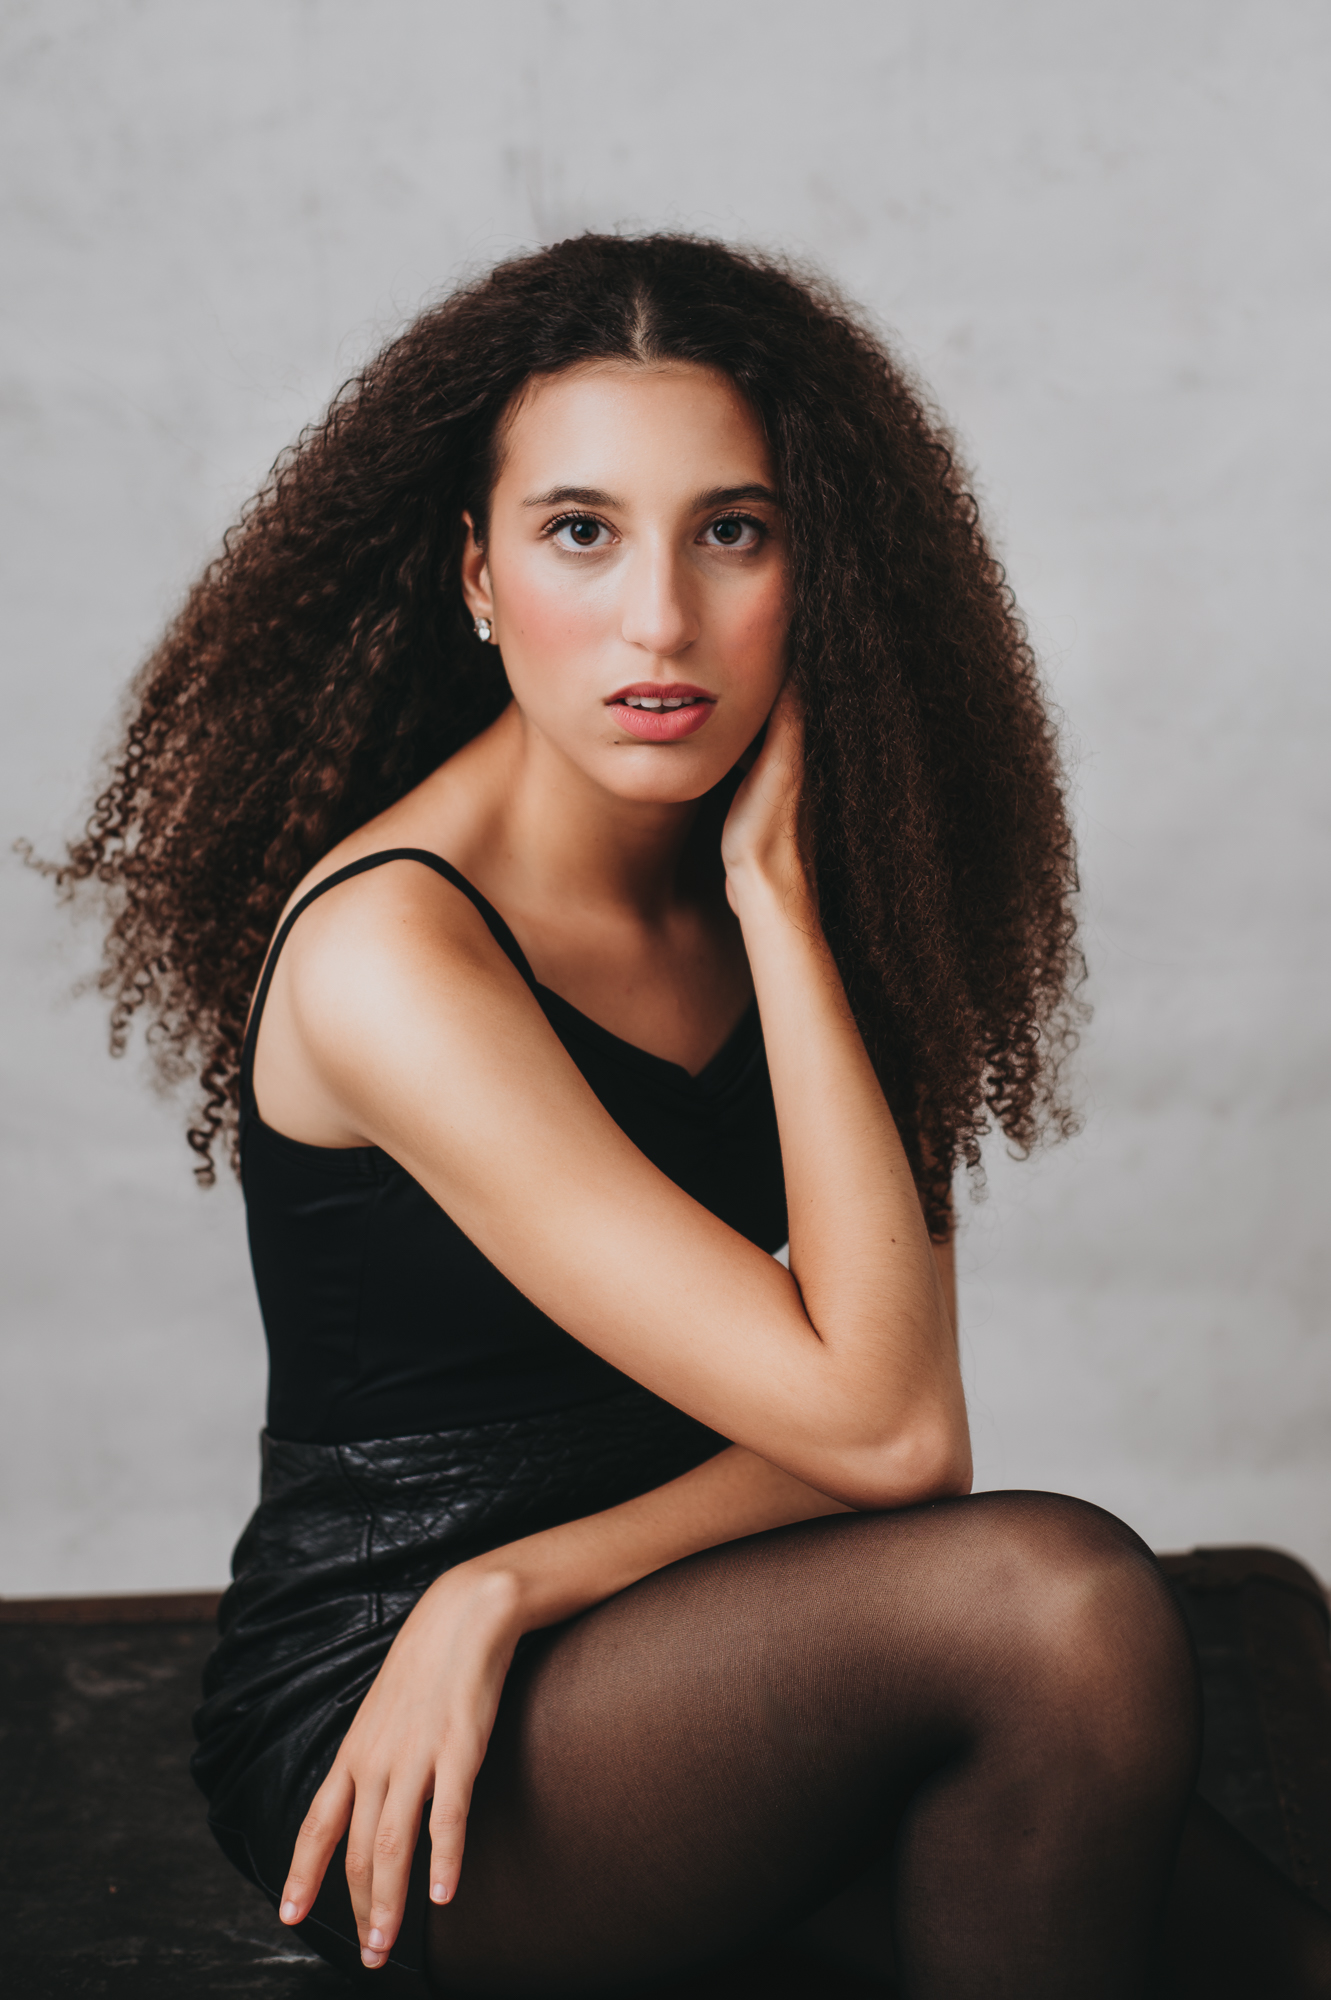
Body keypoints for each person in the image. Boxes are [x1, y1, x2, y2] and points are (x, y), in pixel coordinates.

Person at [53, 234, 1331, 1997]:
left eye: (734, 529)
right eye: (581, 530)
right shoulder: (395, 954)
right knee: (1056, 1610)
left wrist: (788, 917)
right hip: (405, 1733)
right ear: (480, 576)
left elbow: (893, 1434)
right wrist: (471, 1603)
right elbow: (888, 1446)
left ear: (821, 569)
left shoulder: (807, 867)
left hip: (668, 1635)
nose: (662, 618)